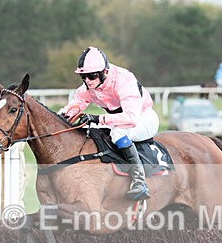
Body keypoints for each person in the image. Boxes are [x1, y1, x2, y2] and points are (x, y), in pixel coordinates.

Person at [59, 46, 157, 200]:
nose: (87, 81)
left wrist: (98, 118)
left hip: (143, 119)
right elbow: (77, 103)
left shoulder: (123, 80)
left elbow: (131, 118)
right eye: (83, 77)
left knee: (118, 133)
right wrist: (61, 117)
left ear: (104, 72)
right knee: (88, 130)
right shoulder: (90, 85)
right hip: (118, 120)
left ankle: (140, 181)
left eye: (91, 76)